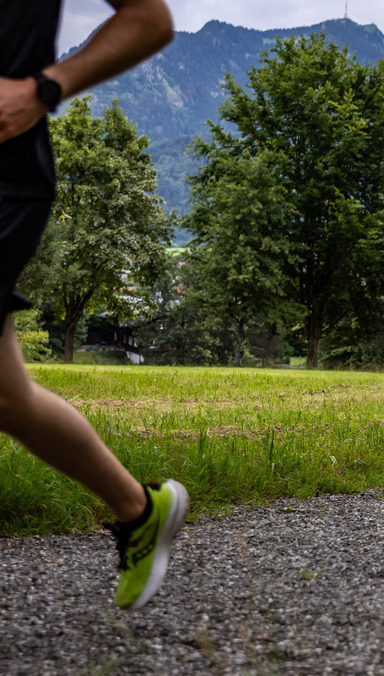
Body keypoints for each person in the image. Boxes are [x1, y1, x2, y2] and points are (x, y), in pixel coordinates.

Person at [0, 0, 188, 611]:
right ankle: (140, 511)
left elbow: (149, 17)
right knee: (7, 397)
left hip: (4, 171)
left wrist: (45, 87)